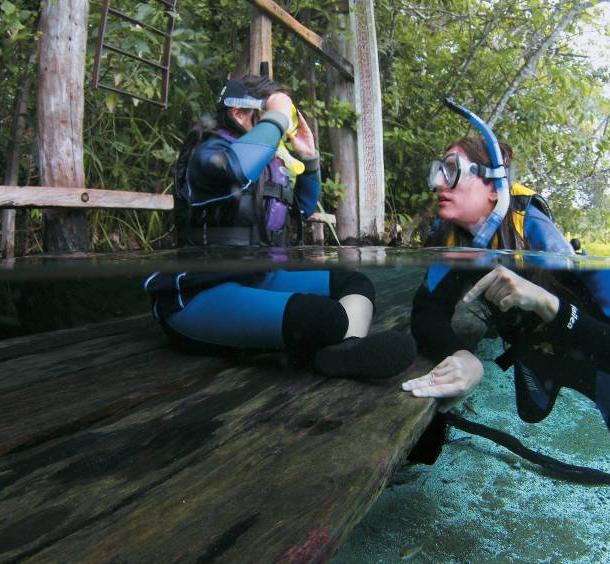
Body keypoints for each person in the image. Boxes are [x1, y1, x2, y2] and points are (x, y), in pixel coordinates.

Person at [401, 128, 610, 478]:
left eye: (451, 169)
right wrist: (461, 354)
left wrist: (546, 303)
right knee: (531, 413)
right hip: (537, 353)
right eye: (437, 171)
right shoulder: (454, 242)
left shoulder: (560, 250)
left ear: (494, 187)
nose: (438, 183)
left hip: (600, 359)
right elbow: (427, 312)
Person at [145, 75, 414, 379]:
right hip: (200, 293)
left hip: (257, 277)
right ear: (239, 114)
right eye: (275, 113)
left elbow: (303, 207)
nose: (282, 125)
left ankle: (347, 351)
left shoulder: (268, 161)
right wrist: (277, 115)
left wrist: (310, 159)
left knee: (354, 282)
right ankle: (335, 337)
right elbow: (237, 168)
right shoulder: (207, 152)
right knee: (324, 318)